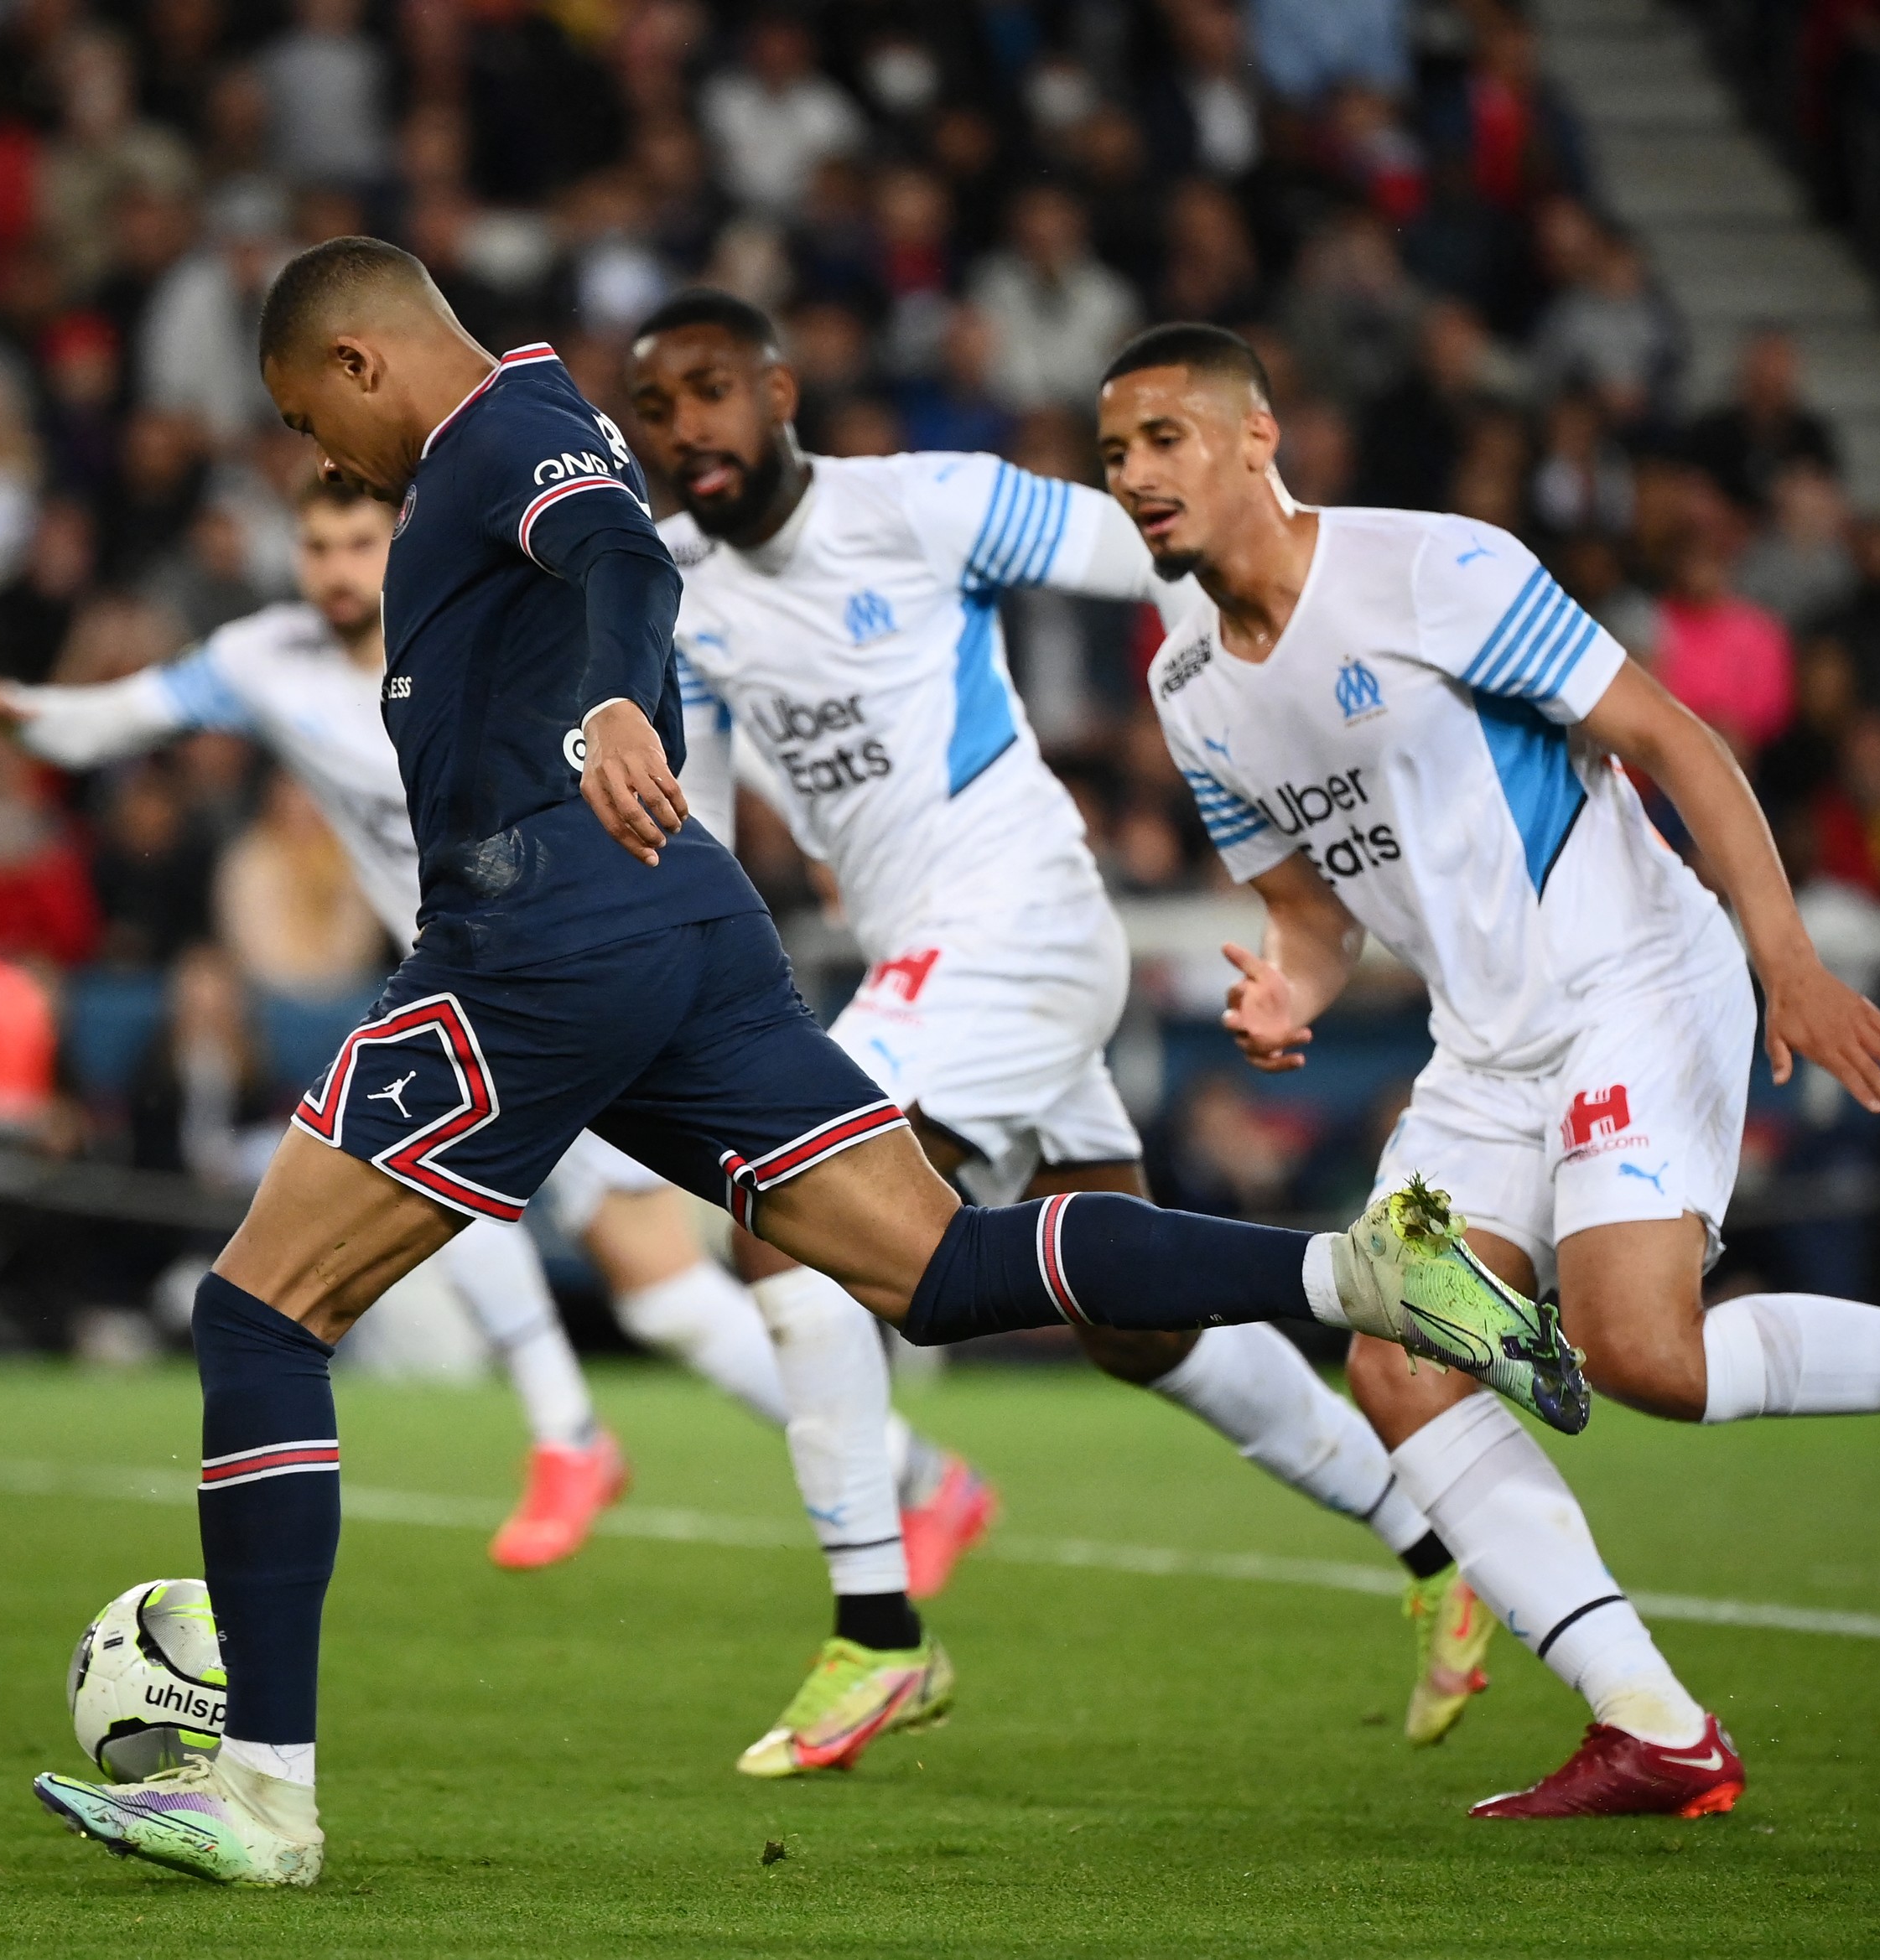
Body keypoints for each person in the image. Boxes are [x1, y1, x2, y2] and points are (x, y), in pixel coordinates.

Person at [23, 239, 1554, 1890]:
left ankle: (262, 1786)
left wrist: (617, 705)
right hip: (681, 936)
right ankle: (1356, 1270)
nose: (319, 456)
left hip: (536, 943)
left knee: (257, 1309)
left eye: (303, 412)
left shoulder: (500, 431)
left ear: (358, 364)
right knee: (934, 1266)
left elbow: (622, 559)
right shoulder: (507, 444)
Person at [1108, 321, 1880, 1820]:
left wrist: (1787, 958)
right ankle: (1648, 1720)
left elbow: (1670, 738)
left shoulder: (1432, 568)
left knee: (1643, 1353)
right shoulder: (1187, 688)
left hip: (1633, 970)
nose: (1136, 476)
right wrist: (1288, 986)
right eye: (1113, 456)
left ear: (1254, 439)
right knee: (1397, 1359)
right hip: (1480, 1043)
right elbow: (1312, 910)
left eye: (1163, 440)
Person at [621, 287, 1490, 1766]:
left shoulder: (921, 505)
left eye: (710, 390)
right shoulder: (684, 597)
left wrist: (1233, 737)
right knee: (1135, 1323)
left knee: (787, 1217)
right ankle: (1446, 1546)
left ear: (778, 390)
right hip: (942, 954)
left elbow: (1160, 553)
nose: (685, 428)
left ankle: (877, 1633)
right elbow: (688, 811)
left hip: (1014, 915)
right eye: (654, 407)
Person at [0, 479, 992, 1586]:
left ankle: (571, 1432)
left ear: (398, 543)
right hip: (487, 989)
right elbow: (130, 711)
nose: (337, 566)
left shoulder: (482, 634)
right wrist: (19, 707)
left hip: (568, 974)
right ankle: (915, 1475)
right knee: (667, 1297)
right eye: (315, 544)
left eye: (357, 541)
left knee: (422, 1143)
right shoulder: (263, 660)